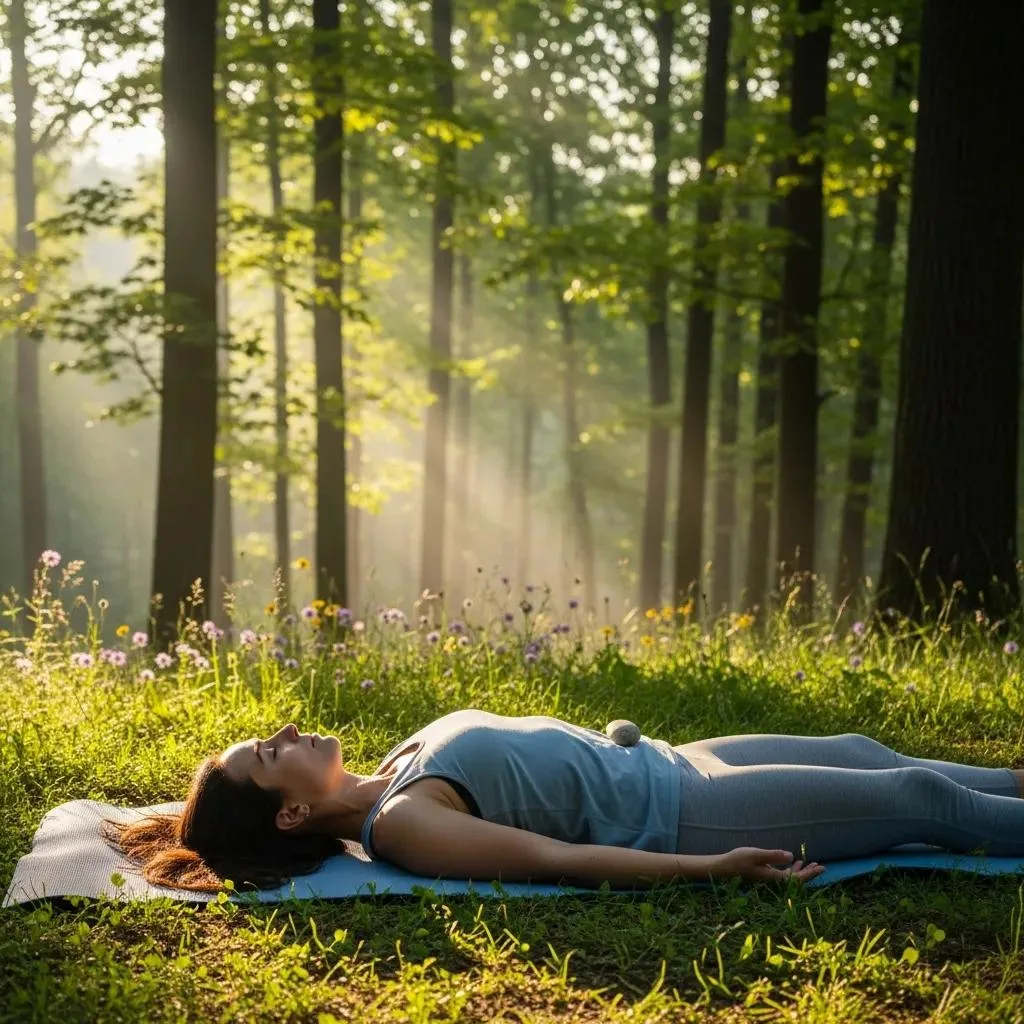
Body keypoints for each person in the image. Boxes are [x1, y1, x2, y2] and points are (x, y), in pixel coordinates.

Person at [109, 709, 1024, 894]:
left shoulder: (395, 764)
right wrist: (710, 866)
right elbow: (556, 861)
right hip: (683, 813)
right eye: (271, 756)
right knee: (917, 797)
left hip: (676, 760)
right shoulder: (403, 824)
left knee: (872, 754)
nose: (286, 732)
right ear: (291, 817)